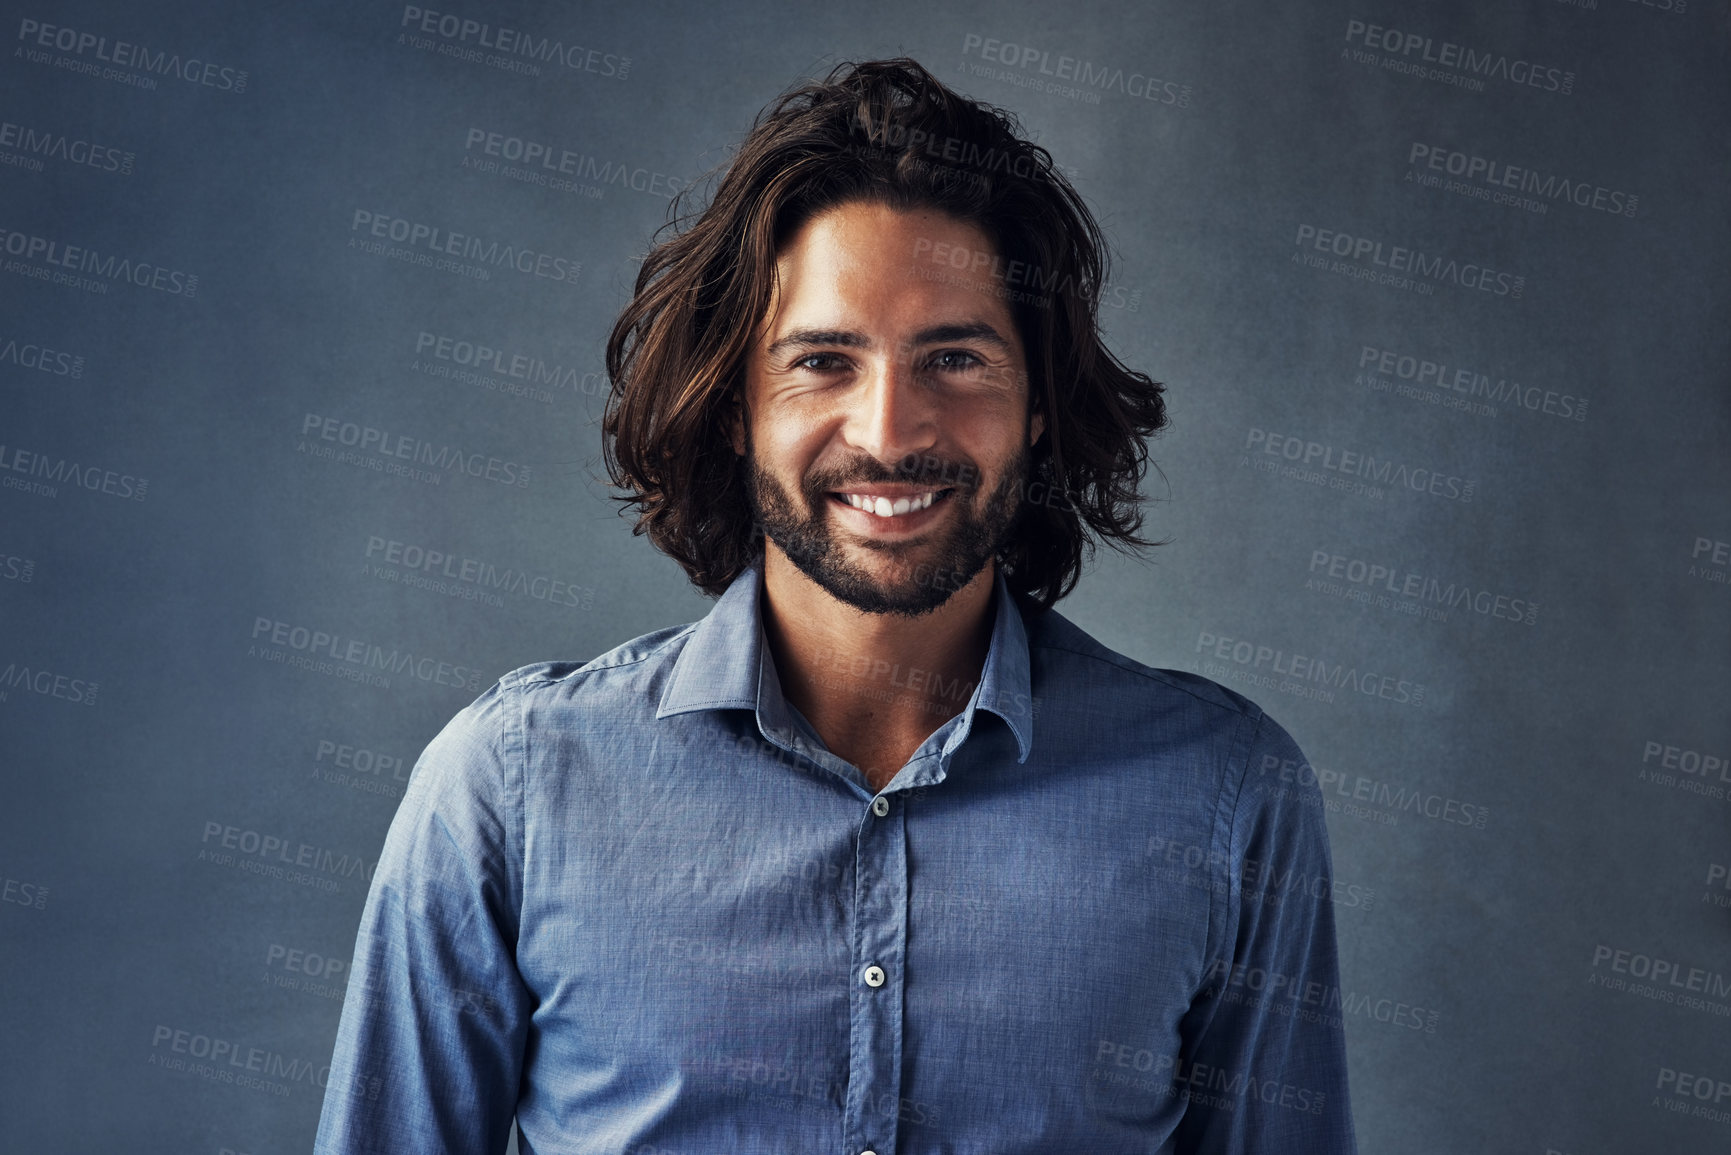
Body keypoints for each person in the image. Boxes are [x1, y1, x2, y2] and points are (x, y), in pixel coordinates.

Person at [316, 57, 1357, 1155]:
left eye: (954, 357)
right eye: (822, 361)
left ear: (1040, 405)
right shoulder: (508, 790)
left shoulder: (1229, 798)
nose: (891, 431)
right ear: (732, 407)